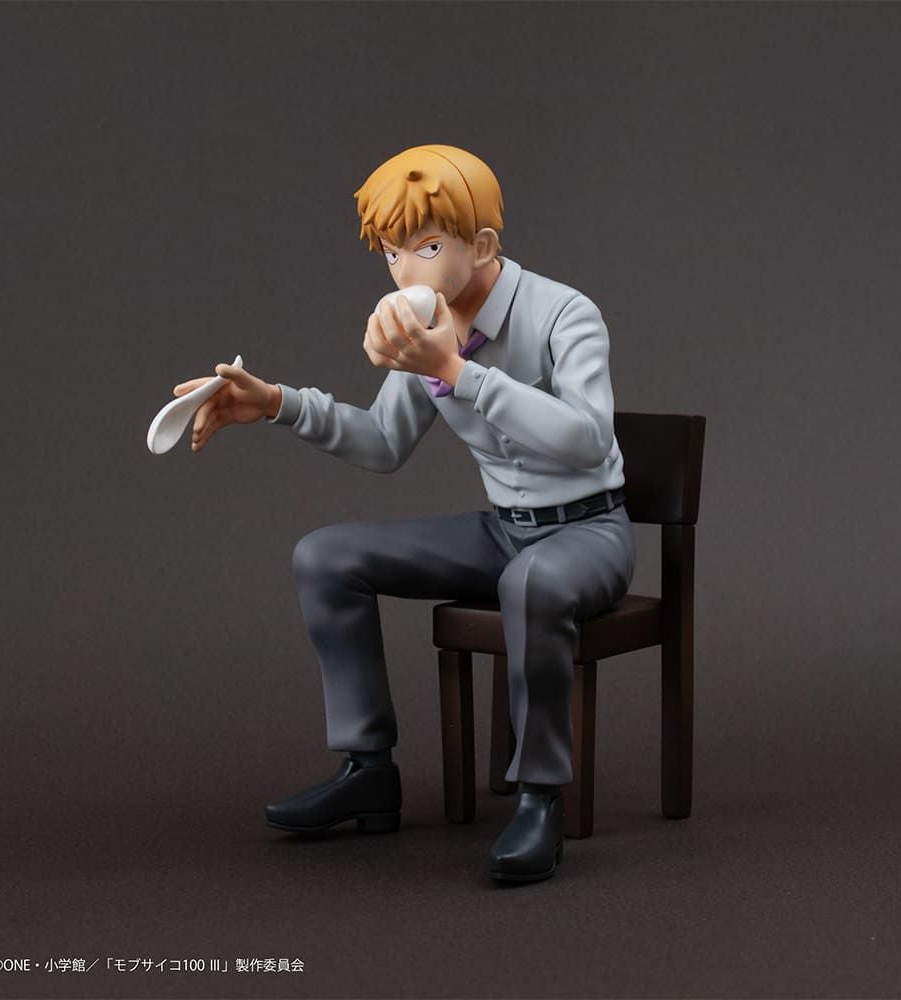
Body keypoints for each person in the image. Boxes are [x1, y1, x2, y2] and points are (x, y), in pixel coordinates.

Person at [172, 144, 636, 883]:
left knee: (532, 583)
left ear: (481, 246)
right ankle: (368, 769)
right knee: (325, 556)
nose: (404, 272)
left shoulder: (563, 314)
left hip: (590, 533)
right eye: (392, 254)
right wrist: (278, 404)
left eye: (425, 248)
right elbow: (383, 442)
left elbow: (588, 438)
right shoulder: (431, 327)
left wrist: (455, 370)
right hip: (504, 533)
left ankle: (539, 798)